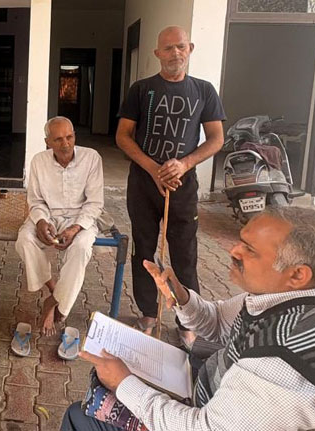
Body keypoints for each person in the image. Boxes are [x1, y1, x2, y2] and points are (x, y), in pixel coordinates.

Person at [62, 207, 315, 430]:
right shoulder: (309, 297)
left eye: (249, 250)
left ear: (297, 275)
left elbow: (202, 427)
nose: (233, 251)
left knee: (82, 416)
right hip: (222, 402)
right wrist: (182, 297)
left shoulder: (281, 359)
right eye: (240, 241)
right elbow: (218, 321)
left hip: (211, 419)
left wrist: (123, 383)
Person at [116, 25, 226, 339]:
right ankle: (148, 314)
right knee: (144, 250)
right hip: (143, 184)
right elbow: (123, 136)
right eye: (168, 48)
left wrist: (184, 164)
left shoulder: (204, 91)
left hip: (182, 187)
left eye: (180, 46)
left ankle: (188, 321)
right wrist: (153, 169)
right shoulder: (141, 89)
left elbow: (216, 138)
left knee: (184, 254)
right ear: (157, 53)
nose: (175, 53)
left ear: (190, 48)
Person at [15, 117, 104, 336]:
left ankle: (55, 304)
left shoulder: (91, 158)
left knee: (81, 247)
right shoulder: (38, 161)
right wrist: (41, 221)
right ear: (47, 142)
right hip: (49, 215)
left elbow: (94, 203)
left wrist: (75, 228)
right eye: (58, 139)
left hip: (80, 218)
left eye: (69, 137)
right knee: (25, 240)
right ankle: (55, 290)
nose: (65, 144)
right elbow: (36, 201)